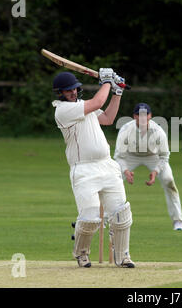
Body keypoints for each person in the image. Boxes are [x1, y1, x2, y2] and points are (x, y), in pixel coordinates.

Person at [52, 69, 135, 268]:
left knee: (120, 213)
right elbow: (98, 103)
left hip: (106, 165)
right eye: (67, 90)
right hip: (83, 170)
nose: (72, 92)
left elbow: (107, 118)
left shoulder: (83, 106)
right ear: (60, 93)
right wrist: (107, 81)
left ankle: (122, 256)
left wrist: (117, 92)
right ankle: (81, 254)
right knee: (90, 218)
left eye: (74, 89)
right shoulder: (62, 111)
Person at [114, 103, 182, 231]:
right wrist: (125, 170)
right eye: (139, 115)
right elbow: (119, 155)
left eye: (145, 115)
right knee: (112, 180)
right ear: (134, 116)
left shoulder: (158, 131)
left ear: (150, 116)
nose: (142, 118)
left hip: (154, 156)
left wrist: (156, 171)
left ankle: (178, 221)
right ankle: (104, 218)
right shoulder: (126, 129)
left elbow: (164, 156)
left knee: (169, 181)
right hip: (130, 155)